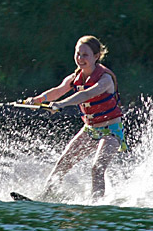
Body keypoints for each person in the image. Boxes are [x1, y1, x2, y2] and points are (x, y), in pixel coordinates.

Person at [25, 35, 127, 201]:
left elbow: (86, 94)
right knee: (62, 164)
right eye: (78, 54)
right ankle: (45, 197)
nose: (80, 59)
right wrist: (37, 100)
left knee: (97, 168)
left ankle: (97, 205)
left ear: (96, 56)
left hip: (112, 132)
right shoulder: (74, 78)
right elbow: (57, 90)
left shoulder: (105, 79)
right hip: (90, 130)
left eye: (85, 55)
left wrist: (60, 104)